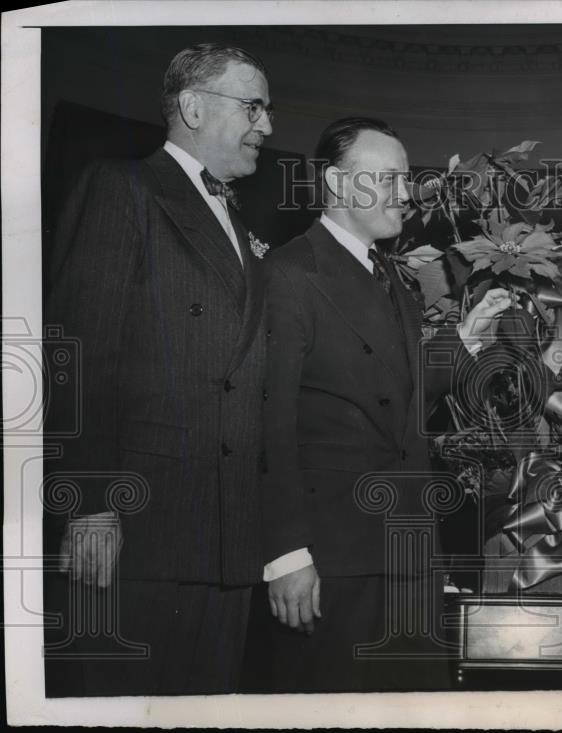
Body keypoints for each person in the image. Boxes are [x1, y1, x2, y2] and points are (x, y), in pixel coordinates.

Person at [44, 43, 274, 695]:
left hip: (229, 544)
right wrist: (89, 505)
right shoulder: (121, 188)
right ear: (194, 107)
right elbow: (78, 355)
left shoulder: (239, 217)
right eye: (254, 106)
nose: (268, 125)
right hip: (136, 532)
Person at [261, 117, 511, 691]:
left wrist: (464, 340)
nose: (408, 192)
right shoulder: (288, 273)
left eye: (408, 177)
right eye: (390, 178)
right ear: (338, 185)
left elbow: (397, 403)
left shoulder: (392, 281)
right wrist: (285, 554)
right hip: (332, 563)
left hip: (409, 554)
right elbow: (265, 426)